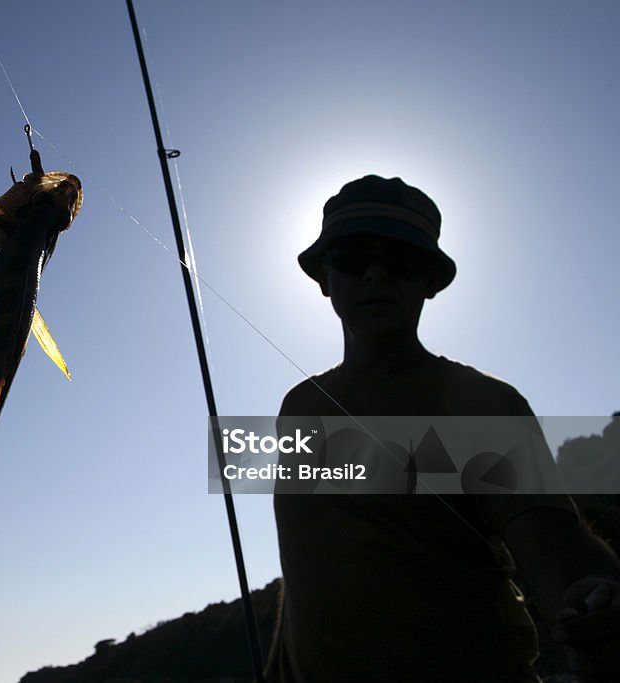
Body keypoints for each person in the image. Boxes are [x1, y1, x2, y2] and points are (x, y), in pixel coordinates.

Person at [263, 175, 620, 682]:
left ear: (429, 279)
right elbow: (309, 563)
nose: (377, 272)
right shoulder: (298, 408)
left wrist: (592, 591)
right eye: (353, 256)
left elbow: (550, 540)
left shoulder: (483, 405)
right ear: (324, 277)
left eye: (401, 259)